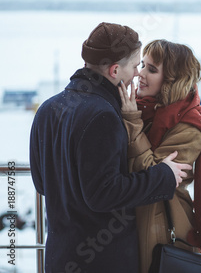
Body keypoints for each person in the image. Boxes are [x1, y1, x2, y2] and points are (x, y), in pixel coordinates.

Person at [29, 22, 192, 273]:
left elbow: (42, 183)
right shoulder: (101, 115)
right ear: (115, 70)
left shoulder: (48, 109)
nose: (138, 73)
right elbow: (104, 194)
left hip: (59, 257)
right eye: (136, 65)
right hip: (101, 261)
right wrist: (164, 176)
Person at [119, 39, 201, 273]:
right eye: (143, 65)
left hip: (162, 226)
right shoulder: (142, 108)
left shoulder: (190, 128)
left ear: (172, 79)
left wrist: (132, 121)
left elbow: (153, 177)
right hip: (134, 219)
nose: (140, 74)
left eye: (152, 69)